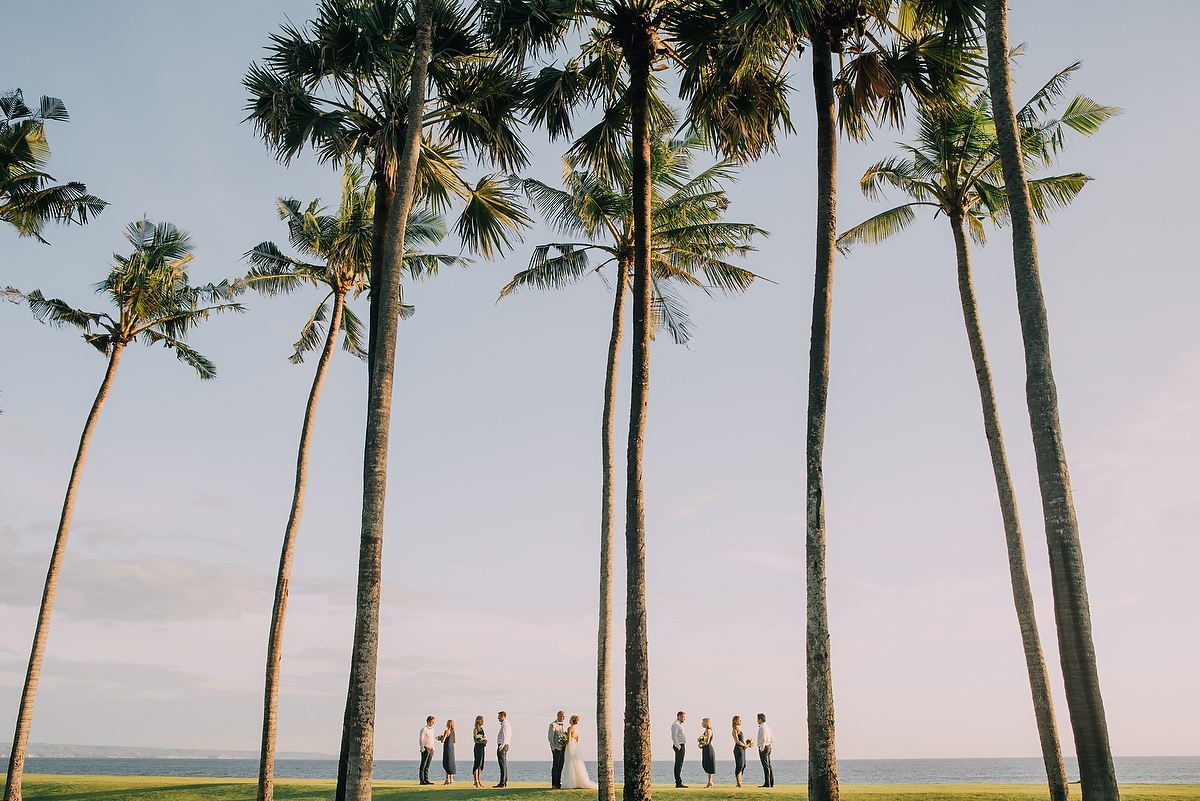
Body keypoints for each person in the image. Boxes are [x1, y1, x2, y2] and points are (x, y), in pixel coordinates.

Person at [563, 714, 598, 790]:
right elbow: (577, 740)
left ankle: (572, 782)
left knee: (570, 764)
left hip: (570, 747)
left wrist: (563, 744)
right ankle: (578, 781)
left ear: (572, 720)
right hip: (575, 746)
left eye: (570, 719)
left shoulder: (569, 728)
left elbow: (568, 740)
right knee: (576, 764)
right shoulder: (577, 729)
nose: (569, 720)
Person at [732, 716, 753, 788]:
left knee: (743, 765)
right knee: (739, 765)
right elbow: (737, 741)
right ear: (735, 721)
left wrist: (746, 744)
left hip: (742, 748)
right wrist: (744, 745)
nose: (740, 721)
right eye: (739, 720)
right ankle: (738, 782)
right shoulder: (734, 730)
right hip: (738, 748)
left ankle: (740, 780)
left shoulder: (739, 730)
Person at [548, 710, 567, 788]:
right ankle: (554, 783)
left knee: (560, 766)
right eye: (561, 716)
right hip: (556, 748)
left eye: (564, 717)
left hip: (563, 748)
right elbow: (550, 737)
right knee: (555, 766)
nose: (563, 718)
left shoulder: (563, 725)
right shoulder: (553, 725)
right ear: (558, 716)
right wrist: (553, 748)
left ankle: (558, 782)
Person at [494, 710, 512, 788]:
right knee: (503, 764)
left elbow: (505, 736)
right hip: (505, 745)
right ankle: (503, 782)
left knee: (502, 764)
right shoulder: (506, 724)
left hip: (503, 746)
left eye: (499, 716)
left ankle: (502, 782)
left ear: (502, 716)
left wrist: (501, 746)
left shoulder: (504, 725)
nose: (498, 718)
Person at [756, 713, 774, 788]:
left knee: (765, 766)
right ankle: (771, 782)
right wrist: (770, 745)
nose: (757, 720)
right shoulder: (767, 727)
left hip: (764, 747)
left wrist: (761, 747)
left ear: (760, 719)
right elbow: (772, 737)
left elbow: (763, 738)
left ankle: (767, 783)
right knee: (769, 765)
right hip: (769, 746)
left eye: (757, 719)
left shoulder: (762, 727)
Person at [671, 711, 688, 788]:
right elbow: (674, 736)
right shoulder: (676, 725)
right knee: (678, 764)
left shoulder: (679, 725)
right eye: (683, 717)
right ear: (679, 717)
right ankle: (678, 782)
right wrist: (678, 747)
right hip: (679, 746)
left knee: (680, 764)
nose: (684, 719)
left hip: (681, 745)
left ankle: (679, 781)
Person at [418, 715, 437, 785]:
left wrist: (433, 748)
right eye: (432, 722)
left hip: (431, 749)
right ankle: (422, 780)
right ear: (428, 721)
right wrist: (422, 748)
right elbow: (421, 739)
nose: (433, 723)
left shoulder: (432, 730)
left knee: (427, 766)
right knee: (423, 765)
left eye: (433, 722)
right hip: (426, 748)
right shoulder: (424, 729)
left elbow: (431, 739)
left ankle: (426, 779)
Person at [699, 718, 716, 788]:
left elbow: (707, 741)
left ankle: (710, 782)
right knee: (706, 764)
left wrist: (701, 744)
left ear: (706, 723)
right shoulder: (706, 730)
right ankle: (710, 781)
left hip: (708, 749)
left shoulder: (708, 731)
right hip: (705, 749)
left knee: (709, 764)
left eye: (702, 722)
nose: (701, 724)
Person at [472, 716, 487, 788]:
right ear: (479, 721)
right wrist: (480, 741)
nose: (483, 721)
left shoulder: (482, 729)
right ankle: (476, 781)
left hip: (482, 747)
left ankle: (479, 780)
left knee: (481, 765)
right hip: (478, 747)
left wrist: (484, 742)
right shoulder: (476, 729)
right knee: (477, 763)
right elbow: (475, 740)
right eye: (482, 720)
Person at [442, 719, 457, 785]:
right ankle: (451, 778)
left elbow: (443, 740)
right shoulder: (453, 732)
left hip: (447, 748)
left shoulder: (447, 731)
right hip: (452, 748)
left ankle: (447, 779)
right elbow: (454, 741)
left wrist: (441, 738)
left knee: (447, 762)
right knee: (451, 762)